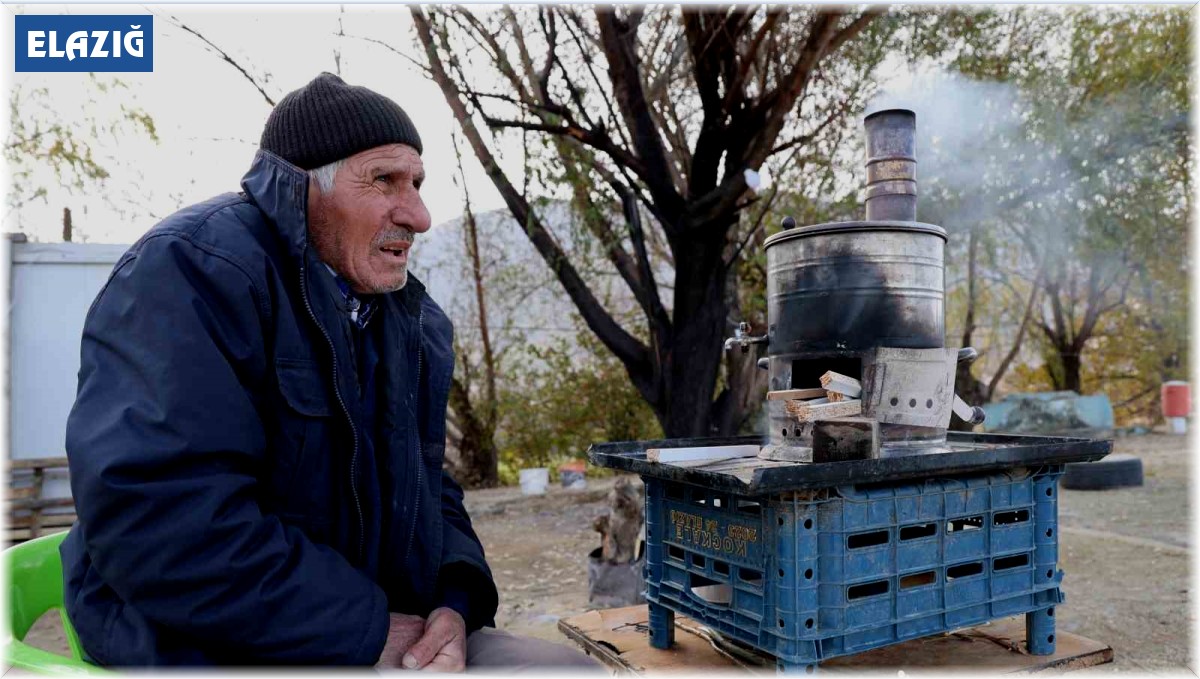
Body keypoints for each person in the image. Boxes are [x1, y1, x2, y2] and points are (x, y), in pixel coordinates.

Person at [60, 72, 602, 671]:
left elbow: (430, 491)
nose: (419, 216)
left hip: (362, 630)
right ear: (303, 189)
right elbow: (158, 520)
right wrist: (366, 630)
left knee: (569, 669)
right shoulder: (191, 272)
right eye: (384, 180)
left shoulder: (406, 320)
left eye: (417, 183)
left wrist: (455, 601)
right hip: (195, 643)